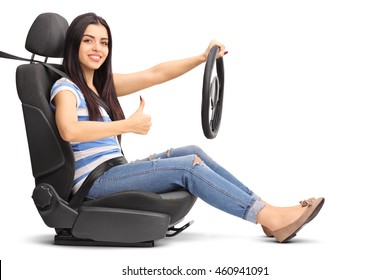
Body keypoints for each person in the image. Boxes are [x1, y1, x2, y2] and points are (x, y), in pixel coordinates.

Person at [50, 12, 324, 243]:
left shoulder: (99, 86)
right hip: (95, 182)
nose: (97, 48)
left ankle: (268, 211)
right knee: (187, 167)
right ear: (74, 44)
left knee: (192, 151)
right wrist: (128, 125)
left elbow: (155, 74)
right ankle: (269, 217)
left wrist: (202, 58)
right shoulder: (66, 89)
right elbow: (69, 131)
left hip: (115, 170)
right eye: (88, 41)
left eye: (103, 42)